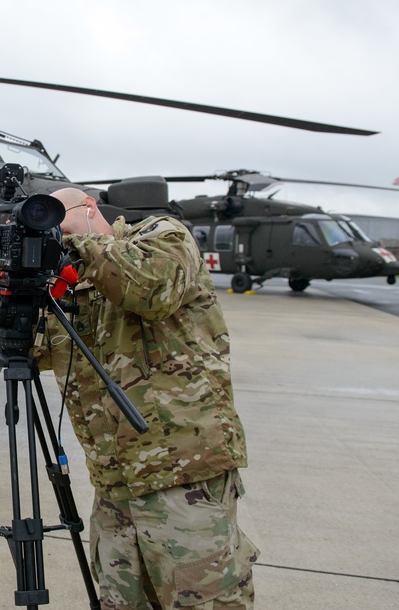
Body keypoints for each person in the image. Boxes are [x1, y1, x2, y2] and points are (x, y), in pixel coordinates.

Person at [33, 187, 258, 610]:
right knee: (121, 602)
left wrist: (77, 250)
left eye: (59, 226)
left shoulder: (160, 236)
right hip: (114, 484)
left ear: (89, 210)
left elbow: (153, 291)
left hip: (181, 474)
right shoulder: (69, 287)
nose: (55, 239)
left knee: (205, 601)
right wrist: (11, 288)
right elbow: (31, 348)